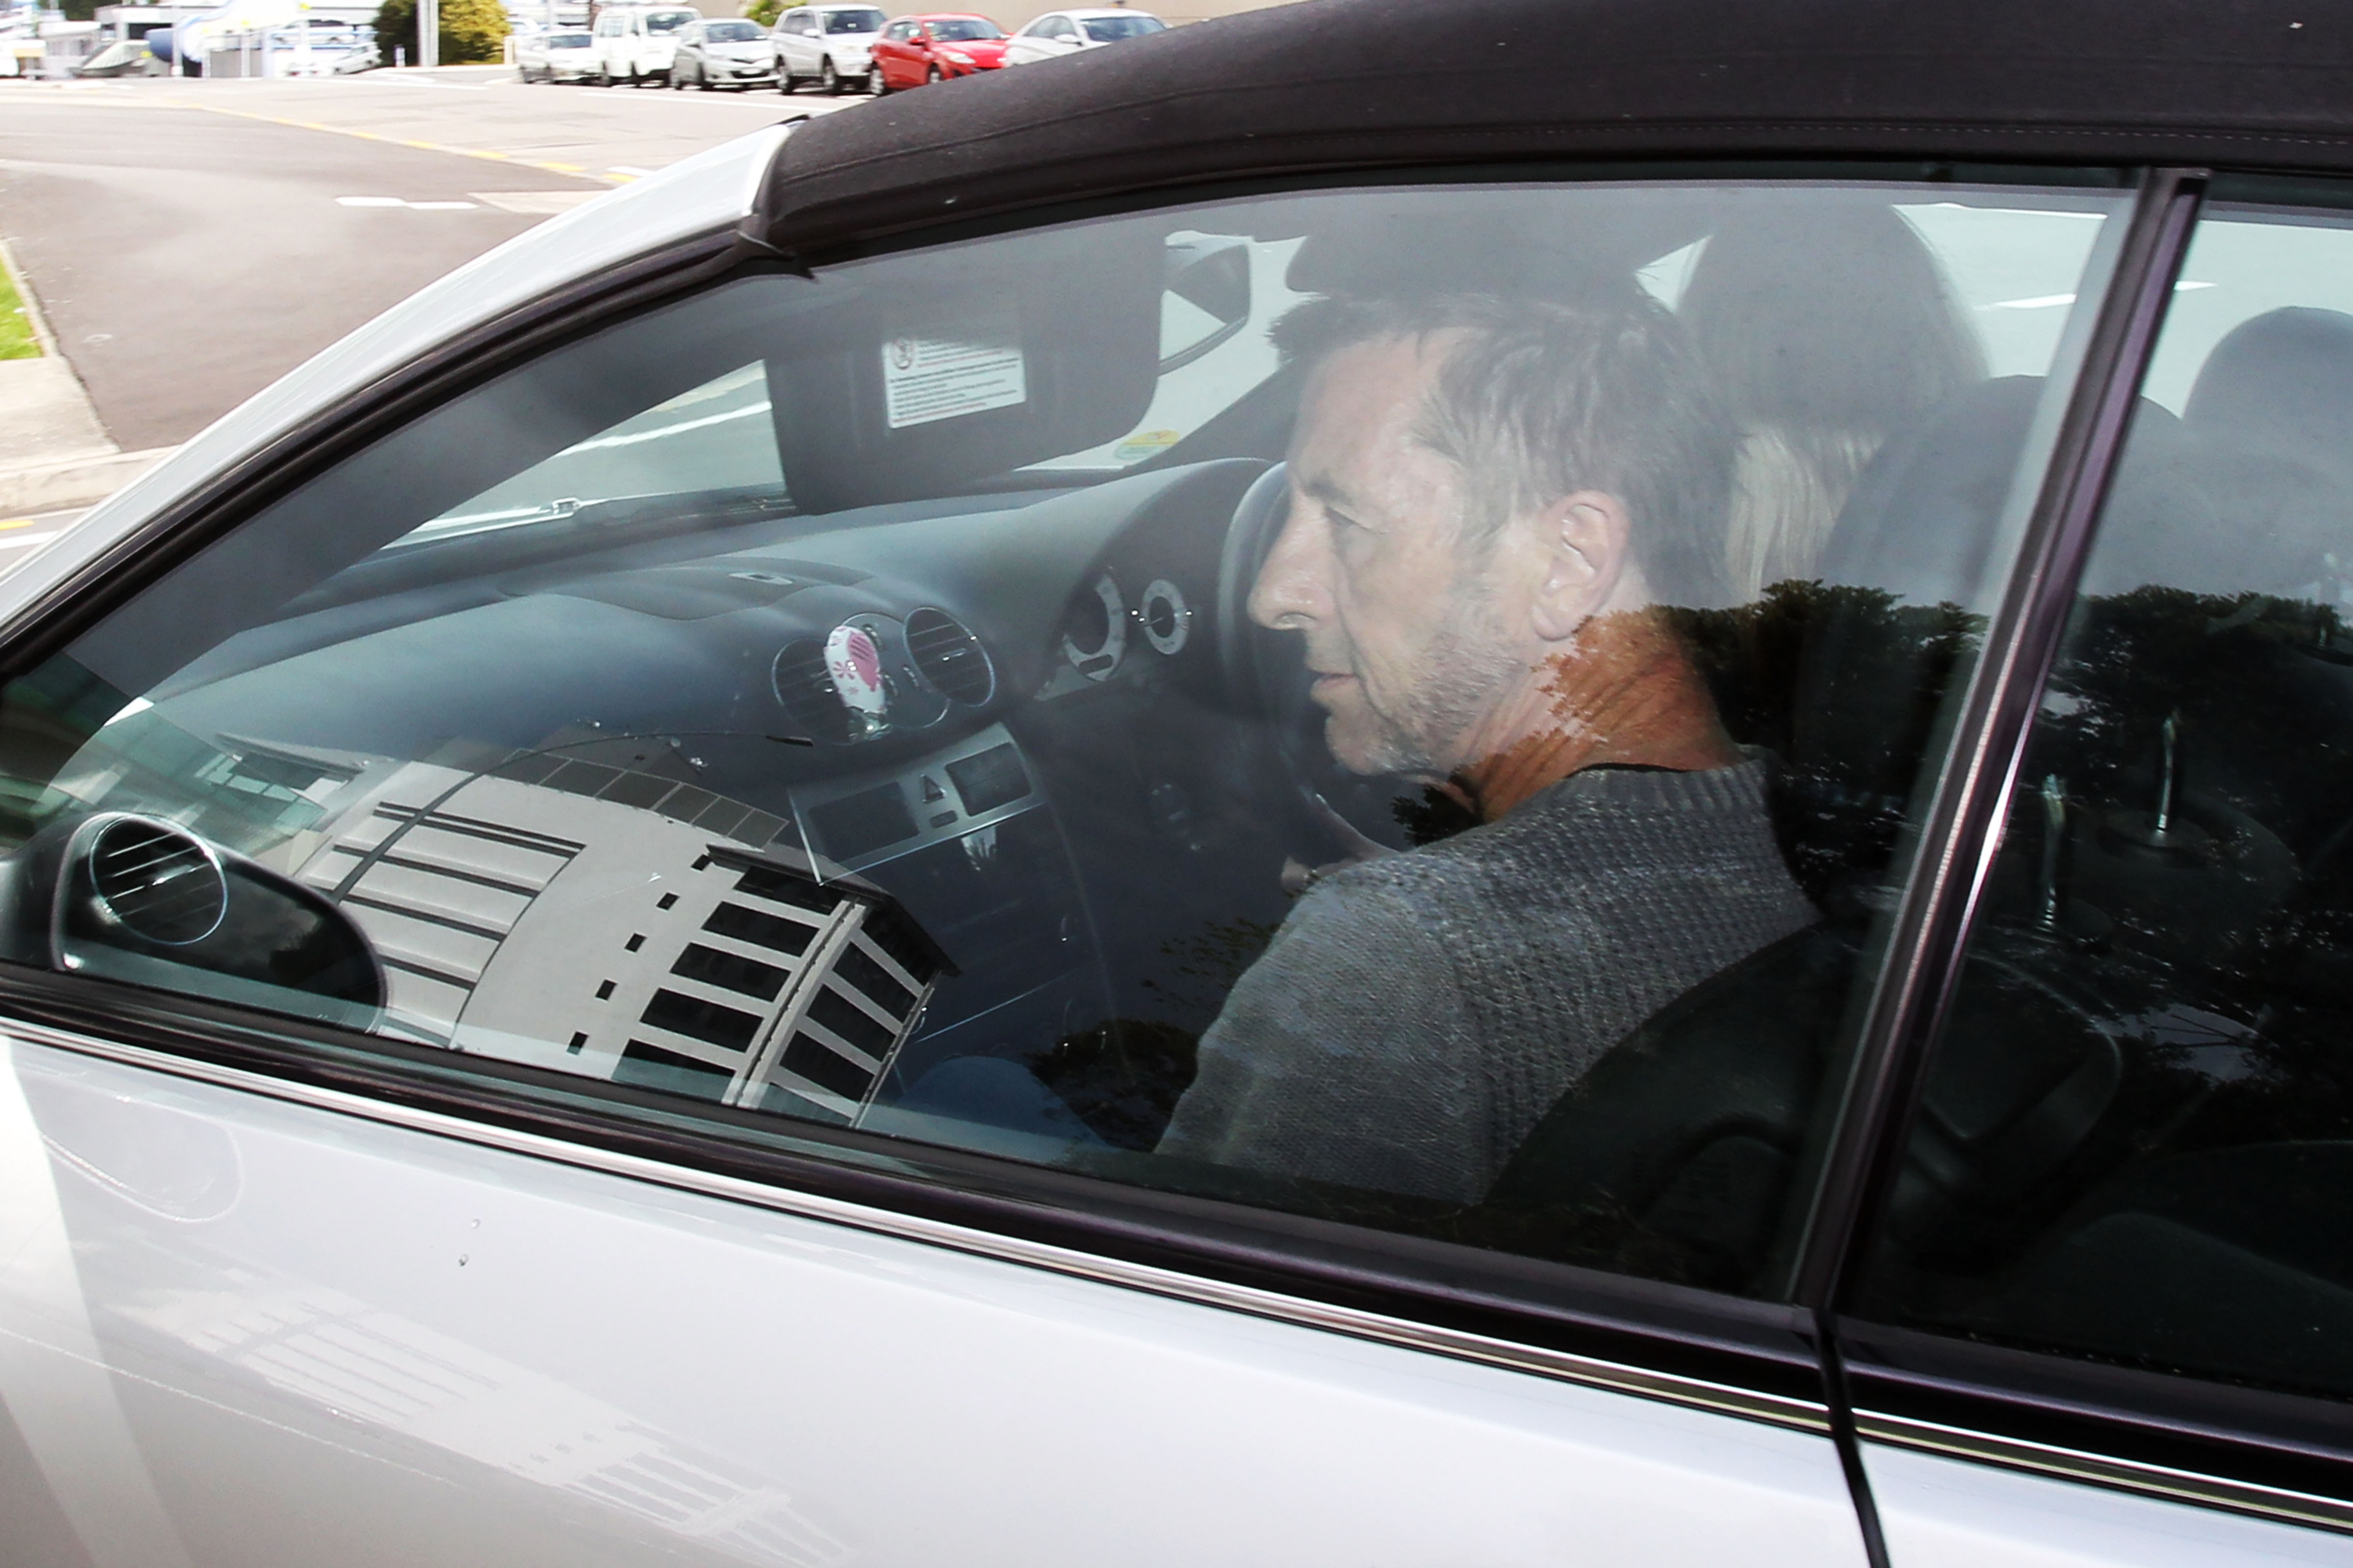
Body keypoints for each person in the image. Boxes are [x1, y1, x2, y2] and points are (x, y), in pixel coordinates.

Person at [1155, 292, 1818, 1204]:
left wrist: (1396, 943)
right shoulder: (1824, 843)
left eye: (1345, 523)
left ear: (1567, 563)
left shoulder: (1401, 960)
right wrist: (1461, 888)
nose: (1272, 595)